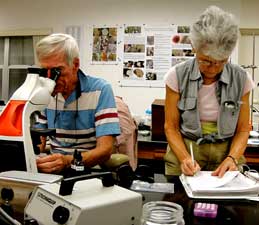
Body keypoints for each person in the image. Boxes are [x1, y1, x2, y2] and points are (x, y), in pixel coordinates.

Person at [164, 6, 255, 178]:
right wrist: (184, 159)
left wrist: (232, 158)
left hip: (227, 150)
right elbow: (171, 127)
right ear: (194, 48)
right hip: (186, 148)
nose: (213, 68)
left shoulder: (242, 79)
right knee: (180, 200)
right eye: (205, 61)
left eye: (220, 61)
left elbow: (243, 129)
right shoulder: (176, 76)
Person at [35, 33, 120, 174]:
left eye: (58, 71)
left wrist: (68, 161)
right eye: (45, 71)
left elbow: (105, 150)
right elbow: (40, 140)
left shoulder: (100, 90)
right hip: (55, 169)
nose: (51, 79)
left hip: (89, 169)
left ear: (75, 64)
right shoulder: (45, 93)